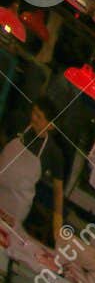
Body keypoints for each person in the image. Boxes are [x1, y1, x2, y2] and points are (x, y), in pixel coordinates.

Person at [0, 102, 65, 241]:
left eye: (39, 116)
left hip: (14, 210)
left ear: (51, 125)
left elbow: (58, 191)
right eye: (34, 112)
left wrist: (57, 226)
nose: (33, 118)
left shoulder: (54, 152)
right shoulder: (19, 123)